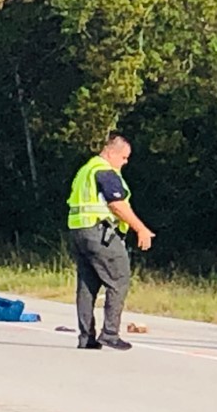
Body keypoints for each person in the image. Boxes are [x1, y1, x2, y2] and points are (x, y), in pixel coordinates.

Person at [66, 133, 154, 351]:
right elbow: (116, 204)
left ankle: (86, 337)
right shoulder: (104, 171)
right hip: (99, 233)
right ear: (111, 152)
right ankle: (110, 333)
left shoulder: (85, 170)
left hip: (78, 232)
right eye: (124, 158)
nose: (125, 163)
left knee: (87, 285)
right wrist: (140, 229)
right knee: (119, 278)